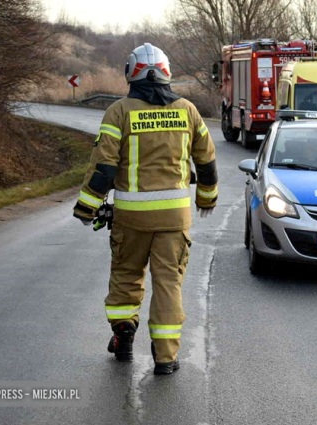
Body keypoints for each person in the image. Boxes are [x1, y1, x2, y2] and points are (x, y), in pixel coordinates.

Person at [72, 43, 218, 375]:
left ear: (130, 73)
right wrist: (207, 199)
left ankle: (124, 332)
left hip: (131, 219)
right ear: (166, 72)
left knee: (126, 276)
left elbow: (103, 169)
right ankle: (165, 358)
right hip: (174, 220)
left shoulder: (119, 112)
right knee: (168, 283)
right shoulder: (188, 110)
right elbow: (207, 162)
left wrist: (87, 207)